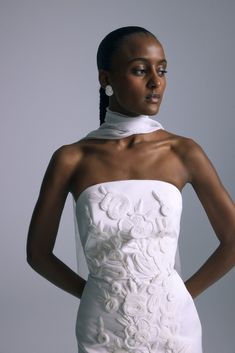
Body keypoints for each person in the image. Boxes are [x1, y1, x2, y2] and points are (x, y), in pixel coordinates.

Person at [26, 26, 235, 353]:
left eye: (162, 70)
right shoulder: (71, 158)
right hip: (101, 328)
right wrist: (95, 293)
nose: (156, 81)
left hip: (174, 327)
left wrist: (181, 294)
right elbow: (37, 254)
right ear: (105, 78)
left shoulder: (183, 152)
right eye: (140, 70)